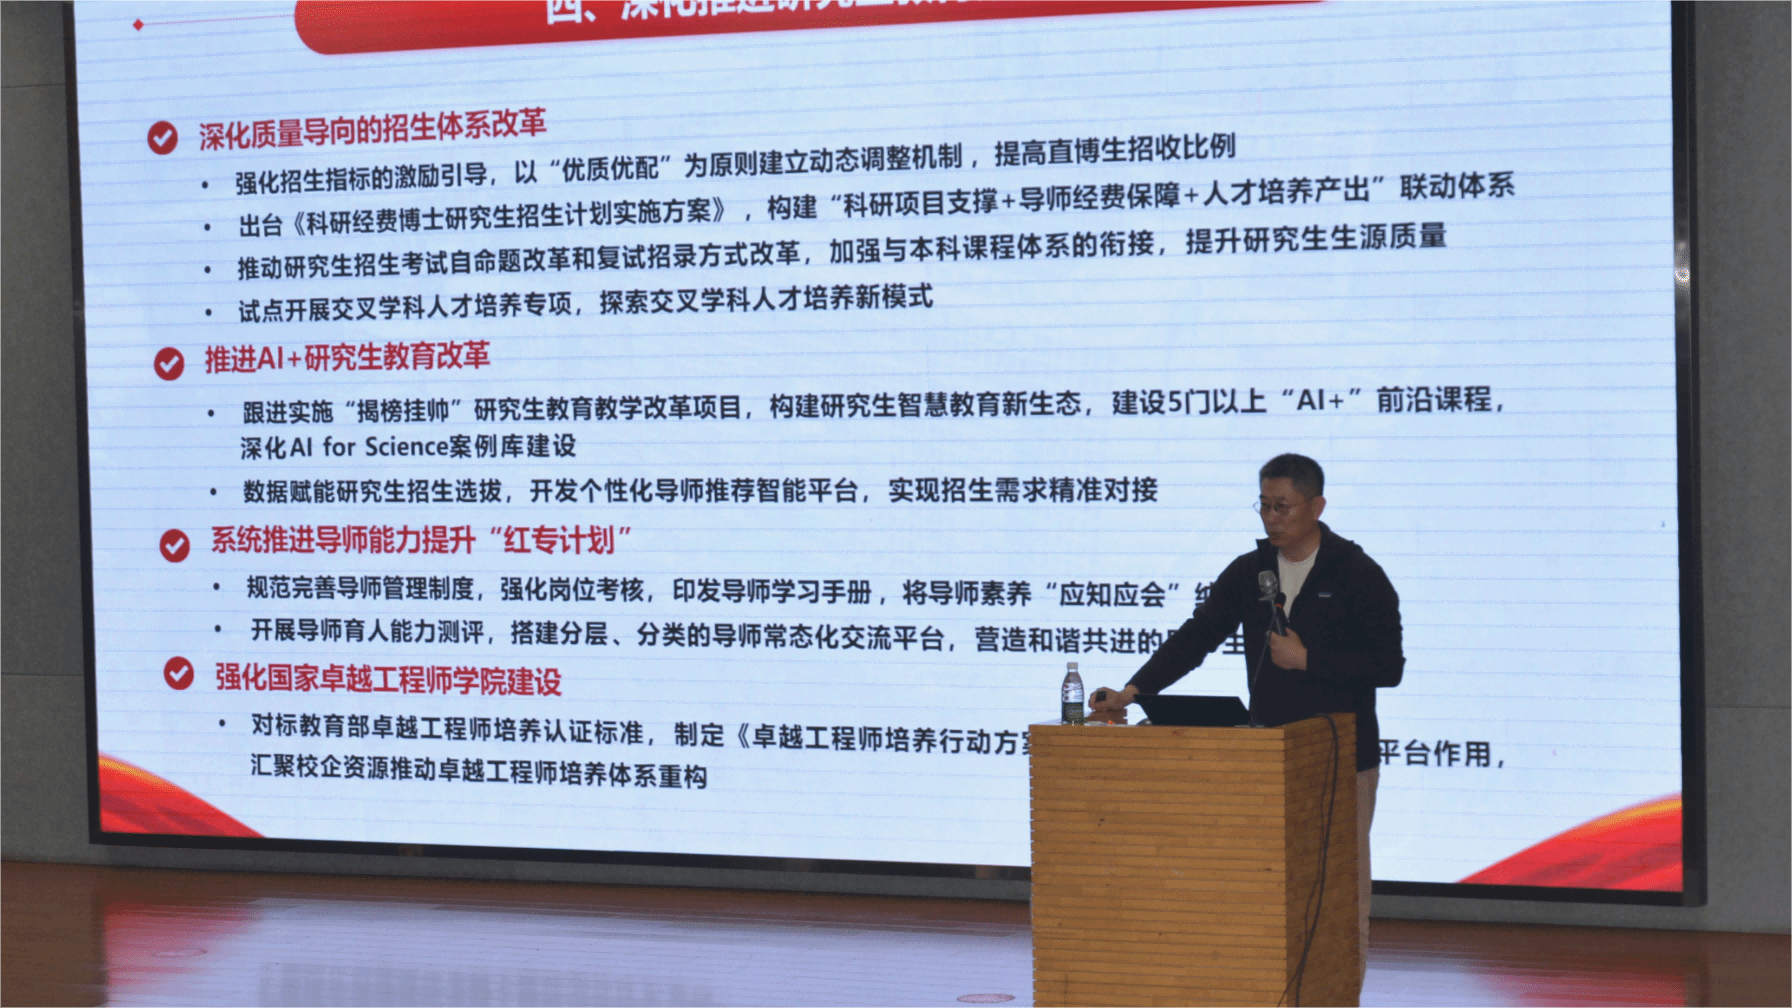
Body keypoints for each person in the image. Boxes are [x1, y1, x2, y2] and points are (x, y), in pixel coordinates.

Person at [1089, 453, 1403, 995]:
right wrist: (1133, 693)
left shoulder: (1358, 573)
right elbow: (1197, 637)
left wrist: (1309, 660)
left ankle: (1337, 994)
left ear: (1317, 506)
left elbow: (1387, 668)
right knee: (1264, 886)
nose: (1271, 518)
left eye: (1283, 506)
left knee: (1338, 889)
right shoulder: (1251, 572)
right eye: (1264, 506)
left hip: (1341, 762)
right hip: (1265, 758)